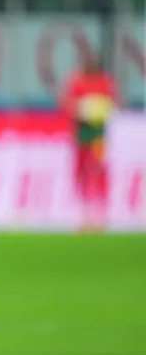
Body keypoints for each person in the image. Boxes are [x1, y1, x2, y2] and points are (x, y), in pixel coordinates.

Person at [59, 52, 120, 232]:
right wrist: (81, 109)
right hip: (82, 135)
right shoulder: (77, 81)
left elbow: (112, 104)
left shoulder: (105, 81)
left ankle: (101, 215)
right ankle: (82, 216)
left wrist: (99, 109)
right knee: (82, 175)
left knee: (99, 174)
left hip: (98, 137)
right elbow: (67, 103)